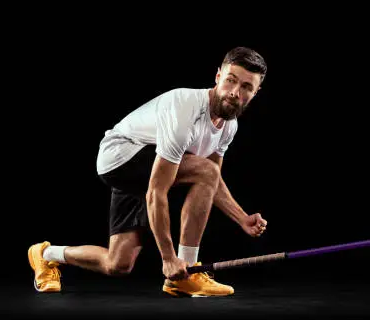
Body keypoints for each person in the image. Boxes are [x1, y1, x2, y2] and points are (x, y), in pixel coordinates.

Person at [28, 46, 269, 297]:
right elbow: (157, 191)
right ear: (218, 76)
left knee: (118, 264)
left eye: (246, 87)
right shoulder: (186, 110)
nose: (234, 92)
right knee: (204, 170)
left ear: (255, 92)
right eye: (231, 80)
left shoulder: (229, 127)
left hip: (144, 166)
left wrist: (241, 217)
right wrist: (169, 258)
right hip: (120, 155)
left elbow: (212, 181)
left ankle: (45, 254)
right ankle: (189, 273)